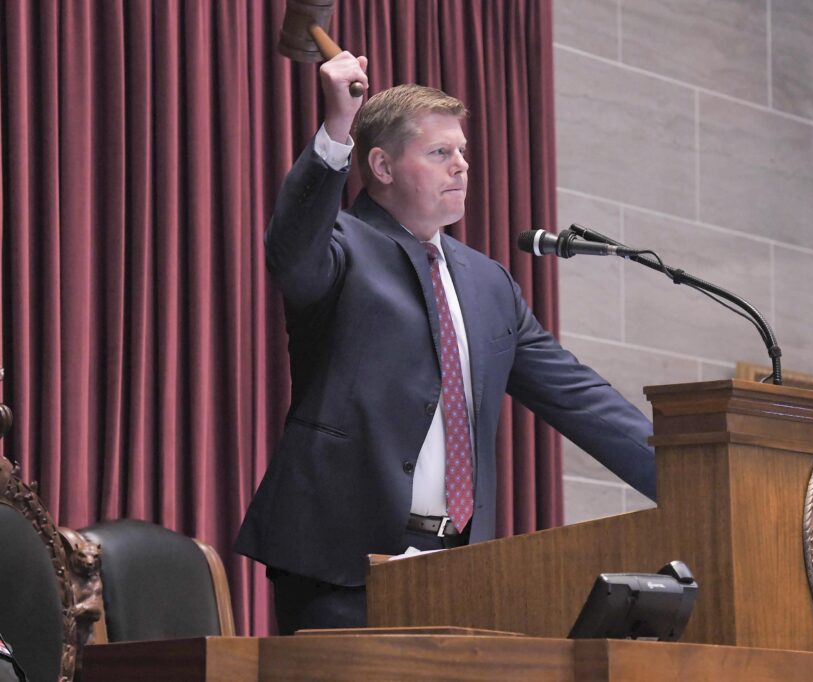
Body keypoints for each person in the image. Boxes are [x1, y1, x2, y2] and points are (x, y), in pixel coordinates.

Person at [234, 51, 655, 635]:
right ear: (381, 165)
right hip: (340, 563)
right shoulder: (339, 246)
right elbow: (292, 248)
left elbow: (580, 398)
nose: (461, 166)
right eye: (439, 153)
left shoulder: (488, 283)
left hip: (459, 566)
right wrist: (337, 129)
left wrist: (690, 473)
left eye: (462, 152)